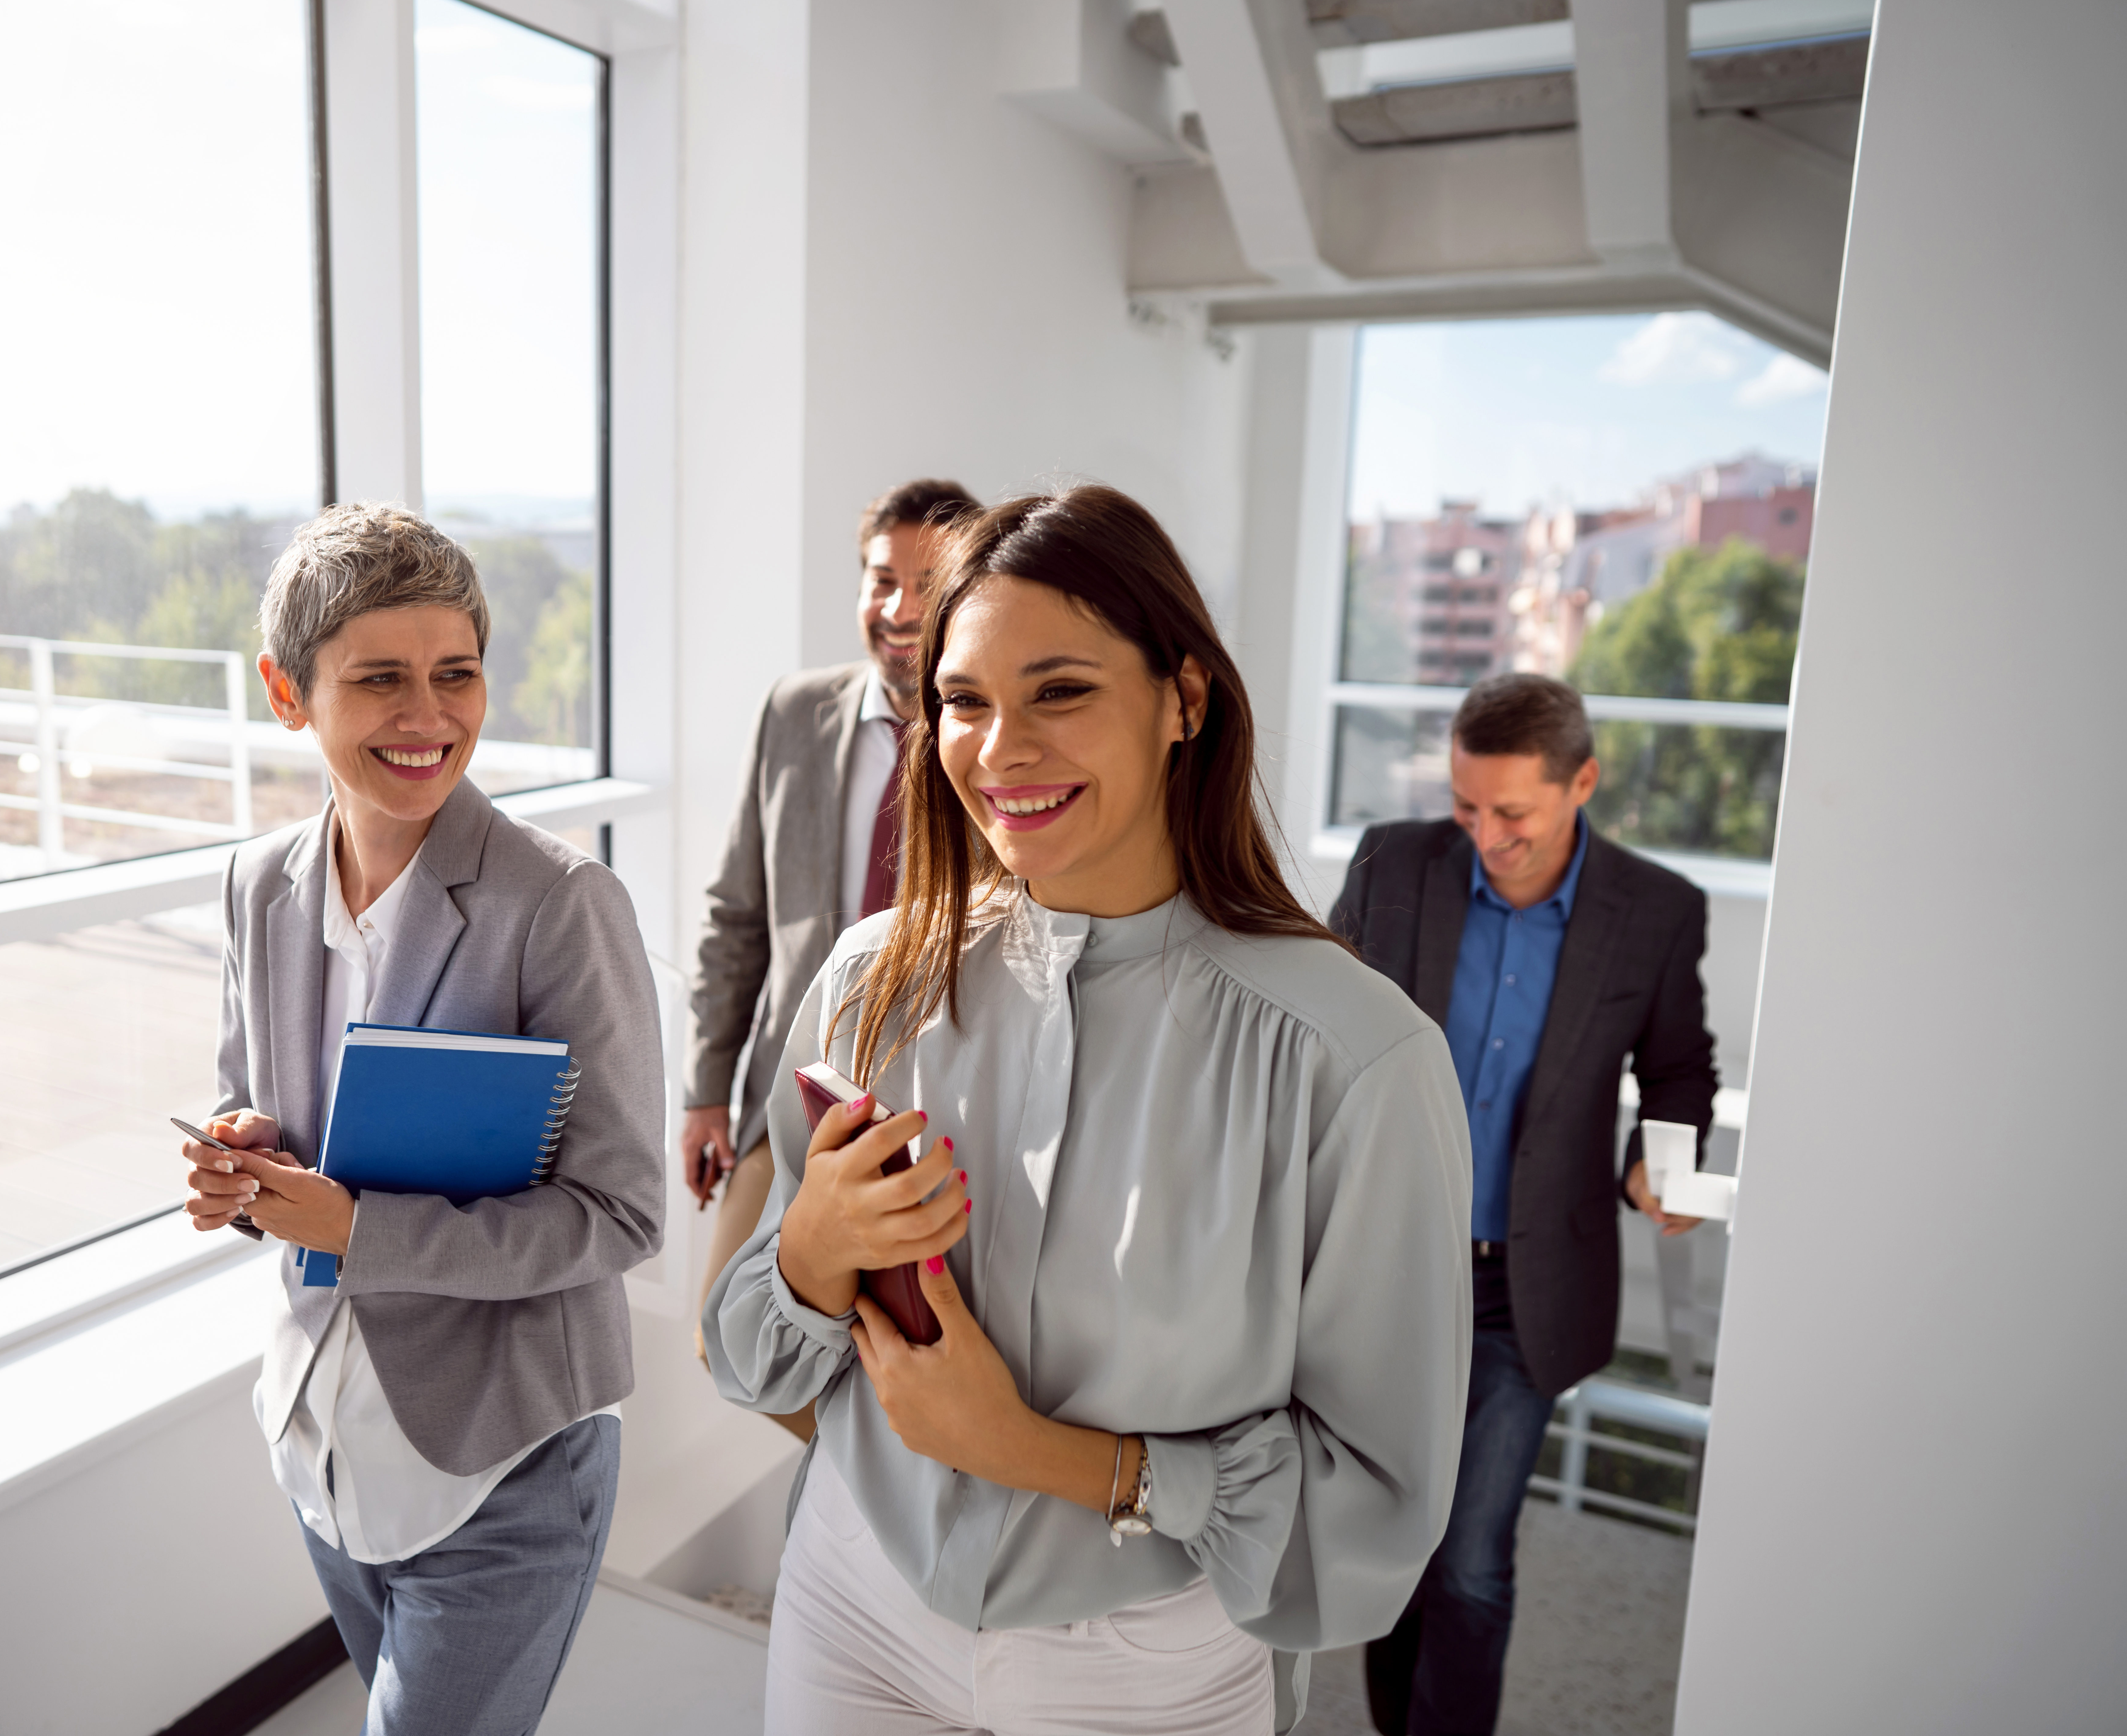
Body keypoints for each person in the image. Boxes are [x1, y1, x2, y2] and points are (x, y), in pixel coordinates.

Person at [705, 485, 1473, 1736]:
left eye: (1059, 690)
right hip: (853, 1595)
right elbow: (747, 1347)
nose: (1000, 748)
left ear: (1182, 699)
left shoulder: (1355, 1059)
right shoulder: (869, 978)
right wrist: (806, 1253)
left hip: (1143, 1667)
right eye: (963, 700)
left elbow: (1370, 1512)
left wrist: (1052, 1457)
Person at [175, 503, 664, 1736]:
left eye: (455, 675)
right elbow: (270, 1115)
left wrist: (356, 1225)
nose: (428, 714)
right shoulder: (259, 882)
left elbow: (619, 1214)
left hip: (501, 1462)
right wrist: (244, 1168)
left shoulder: (559, 904)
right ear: (289, 694)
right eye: (378, 678)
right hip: (320, 1443)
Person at [1329, 672, 1716, 1736]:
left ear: (1581, 782)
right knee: (1392, 1538)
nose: (1484, 834)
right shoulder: (1395, 864)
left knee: (1469, 1560)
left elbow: (1680, 1066)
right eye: (1465, 805)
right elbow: (1313, 1016)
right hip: (1385, 1268)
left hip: (1524, 1288)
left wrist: (1661, 1160)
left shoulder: (1655, 912)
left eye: (1511, 813)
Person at [683, 477, 980, 1434]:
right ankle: (856, 1496)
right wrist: (704, 1089)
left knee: (918, 1348)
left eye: (926, 585)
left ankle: (888, 1520)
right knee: (723, 1335)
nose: (897, 610)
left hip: (939, 1113)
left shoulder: (992, 739)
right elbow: (737, 914)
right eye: (879, 579)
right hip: (792, 1097)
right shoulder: (792, 713)